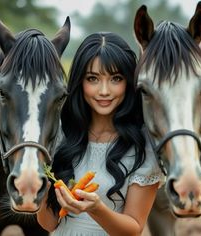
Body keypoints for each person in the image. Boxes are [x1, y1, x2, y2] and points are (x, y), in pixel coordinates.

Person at [37, 32, 163, 235]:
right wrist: (40, 190)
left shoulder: (142, 144)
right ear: (80, 81)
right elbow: (49, 224)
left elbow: (134, 229)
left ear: (128, 82)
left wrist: (97, 209)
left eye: (116, 78)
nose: (104, 91)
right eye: (93, 78)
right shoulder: (61, 134)